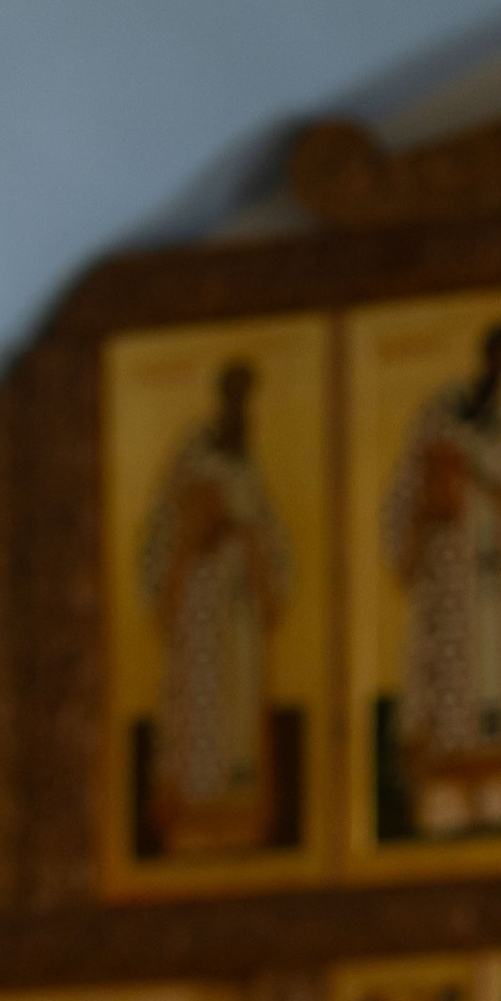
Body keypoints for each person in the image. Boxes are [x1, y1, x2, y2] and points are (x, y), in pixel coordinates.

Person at [383, 321, 501, 837]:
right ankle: (443, 794)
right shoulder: (435, 422)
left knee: (494, 686)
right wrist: (425, 516)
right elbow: (404, 500)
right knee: (445, 682)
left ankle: (495, 789)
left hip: (491, 587)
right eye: (497, 355)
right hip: (446, 583)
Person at [139, 359, 292, 857]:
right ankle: (190, 823)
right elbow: (164, 549)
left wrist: (244, 538)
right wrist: (198, 533)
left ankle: (240, 824)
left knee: (239, 723)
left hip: (240, 621)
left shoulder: (249, 470)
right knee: (197, 713)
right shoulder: (190, 462)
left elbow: (269, 547)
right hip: (197, 619)